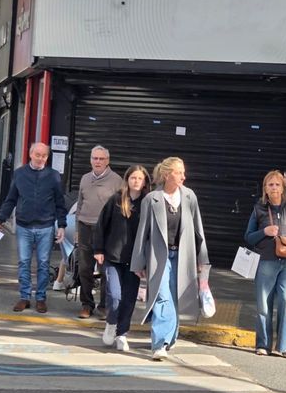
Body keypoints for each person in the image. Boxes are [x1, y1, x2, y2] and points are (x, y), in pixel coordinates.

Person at [131, 157, 209, 360]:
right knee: (162, 295)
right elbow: (142, 231)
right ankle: (159, 343)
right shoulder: (152, 199)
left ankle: (170, 337)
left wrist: (202, 259)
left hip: (183, 256)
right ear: (167, 175)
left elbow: (198, 229)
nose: (184, 176)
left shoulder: (189, 196)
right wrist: (138, 261)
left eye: (183, 172)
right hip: (159, 257)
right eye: (179, 172)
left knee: (175, 296)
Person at [0, 142, 67, 314]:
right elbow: (11, 199)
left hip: (46, 226)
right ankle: (24, 297)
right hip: (24, 226)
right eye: (37, 155)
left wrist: (62, 225)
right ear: (30, 154)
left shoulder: (54, 176)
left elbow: (60, 203)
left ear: (47, 157)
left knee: (43, 263)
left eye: (44, 156)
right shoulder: (20, 174)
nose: (40, 158)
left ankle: (40, 298)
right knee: (24, 262)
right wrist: (0, 220)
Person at [245, 170, 286, 357]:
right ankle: (263, 344)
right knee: (264, 305)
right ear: (265, 188)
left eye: (277, 184)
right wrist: (264, 232)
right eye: (270, 184)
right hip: (266, 262)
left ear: (283, 188)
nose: (274, 188)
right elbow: (248, 237)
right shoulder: (259, 208)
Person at [94, 165, 150, 351]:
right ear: (127, 179)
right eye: (133, 177)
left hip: (135, 260)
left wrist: (147, 261)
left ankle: (122, 334)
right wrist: (98, 249)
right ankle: (111, 323)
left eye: (140, 178)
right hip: (113, 256)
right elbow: (101, 225)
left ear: (145, 182)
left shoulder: (148, 203)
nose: (136, 181)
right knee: (115, 295)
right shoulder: (116, 200)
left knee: (129, 299)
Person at [75, 146, 122, 320]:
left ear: (107, 161)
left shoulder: (117, 181)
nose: (98, 161)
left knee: (105, 271)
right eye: (95, 158)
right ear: (90, 160)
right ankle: (87, 304)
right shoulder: (84, 178)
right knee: (84, 269)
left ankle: (104, 306)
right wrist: (77, 230)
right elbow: (79, 205)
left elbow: (120, 209)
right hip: (85, 228)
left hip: (106, 231)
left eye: (101, 159)